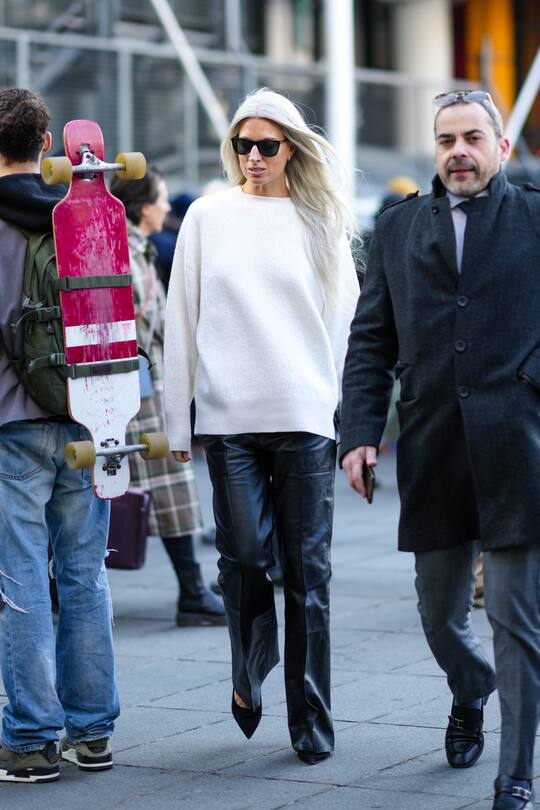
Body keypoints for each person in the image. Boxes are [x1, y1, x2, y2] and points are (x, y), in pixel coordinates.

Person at [339, 89, 540, 810]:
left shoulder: (535, 217)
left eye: (473, 138)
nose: (459, 151)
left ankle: (515, 773)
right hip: (432, 448)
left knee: (515, 619)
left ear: (501, 147)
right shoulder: (396, 228)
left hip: (519, 445)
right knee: (438, 614)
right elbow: (370, 340)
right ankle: (470, 686)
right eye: (447, 139)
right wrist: (360, 432)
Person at [164, 87, 359, 764]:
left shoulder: (318, 221)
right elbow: (181, 316)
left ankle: (311, 719)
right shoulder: (208, 216)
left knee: (308, 574)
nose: (253, 156)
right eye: (242, 144)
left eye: (267, 145)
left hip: (304, 416)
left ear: (291, 150)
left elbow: (344, 324)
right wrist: (179, 417)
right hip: (229, 420)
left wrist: (333, 403)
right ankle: (249, 672)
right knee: (244, 559)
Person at [0, 88, 118, 782]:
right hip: (87, 417)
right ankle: (92, 731)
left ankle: (31, 739)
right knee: (84, 576)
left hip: (11, 423)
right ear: (47, 146)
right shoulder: (84, 211)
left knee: (18, 581)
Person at [109, 167, 225, 627]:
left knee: (159, 487)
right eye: (159, 199)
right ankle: (192, 592)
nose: (164, 207)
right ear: (143, 207)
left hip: (144, 387)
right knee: (165, 487)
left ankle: (192, 590)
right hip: (137, 390)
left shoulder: (138, 247)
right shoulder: (124, 251)